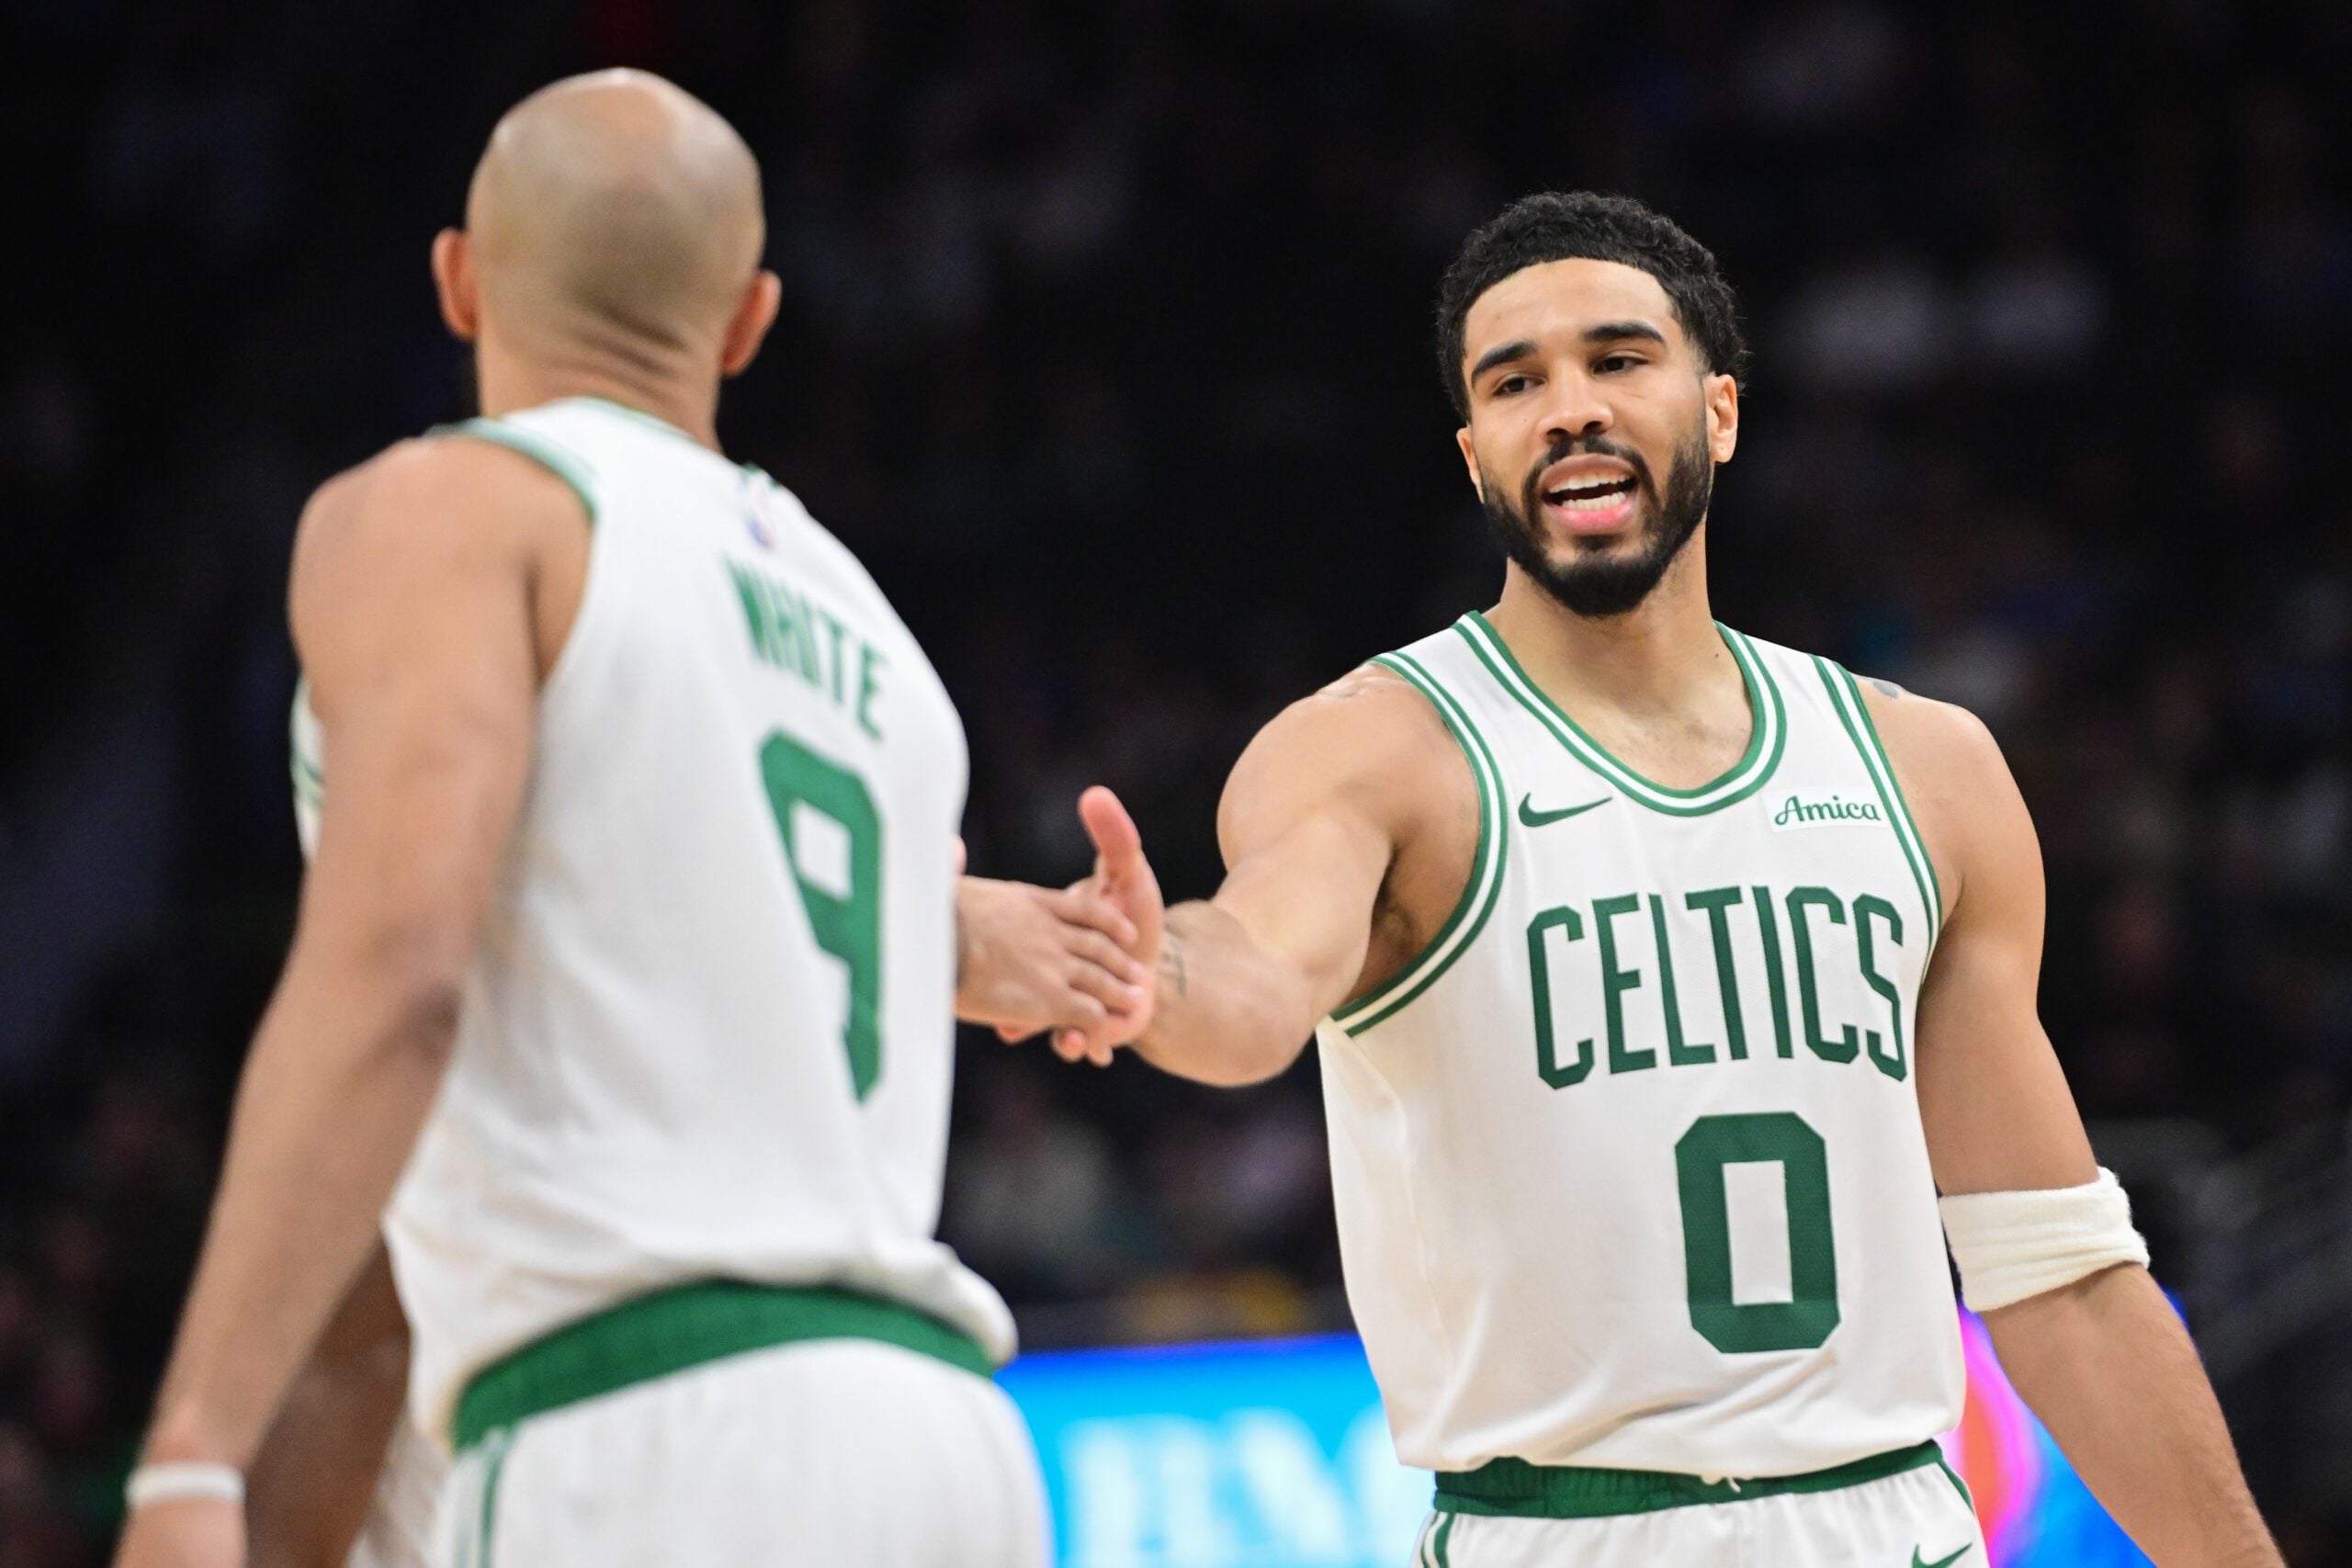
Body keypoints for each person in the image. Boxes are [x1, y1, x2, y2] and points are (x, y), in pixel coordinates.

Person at [1051, 192, 2284, 1565]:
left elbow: (2055, 1272)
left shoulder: (1925, 770)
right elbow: (1257, 976)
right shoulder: (1379, 751)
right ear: (1475, 458)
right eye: (1514, 382)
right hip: (1561, 1532)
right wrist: (1140, 966)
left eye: (1618, 360)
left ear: (1720, 412)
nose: (1568, 407)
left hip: (1891, 1524)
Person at [112, 69, 1149, 1568]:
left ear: (458, 286)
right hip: (948, 1442)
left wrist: (194, 1452)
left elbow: (400, 971)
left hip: (647, 1425)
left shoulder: (453, 508)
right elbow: (707, 906)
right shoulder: (880, 644)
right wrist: (974, 934)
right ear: (748, 322)